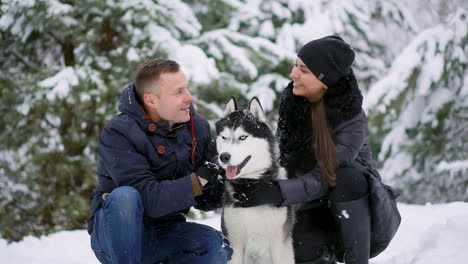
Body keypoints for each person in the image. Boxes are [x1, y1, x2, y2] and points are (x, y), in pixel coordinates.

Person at [231, 36, 386, 264]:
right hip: (310, 207)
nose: (293, 74)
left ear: (325, 80)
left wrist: (277, 191)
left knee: (348, 178)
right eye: (296, 65)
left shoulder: (350, 118)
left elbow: (325, 176)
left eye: (303, 70)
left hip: (354, 214)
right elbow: (283, 162)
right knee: (294, 247)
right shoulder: (293, 105)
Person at [87, 59, 232, 264]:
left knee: (215, 247)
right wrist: (201, 177)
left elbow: (204, 199)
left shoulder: (197, 127)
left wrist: (226, 177)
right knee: (125, 197)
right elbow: (149, 200)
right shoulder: (118, 132)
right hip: (115, 238)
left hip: (166, 231)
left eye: (187, 89)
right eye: (178, 92)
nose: (189, 98)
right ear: (151, 100)